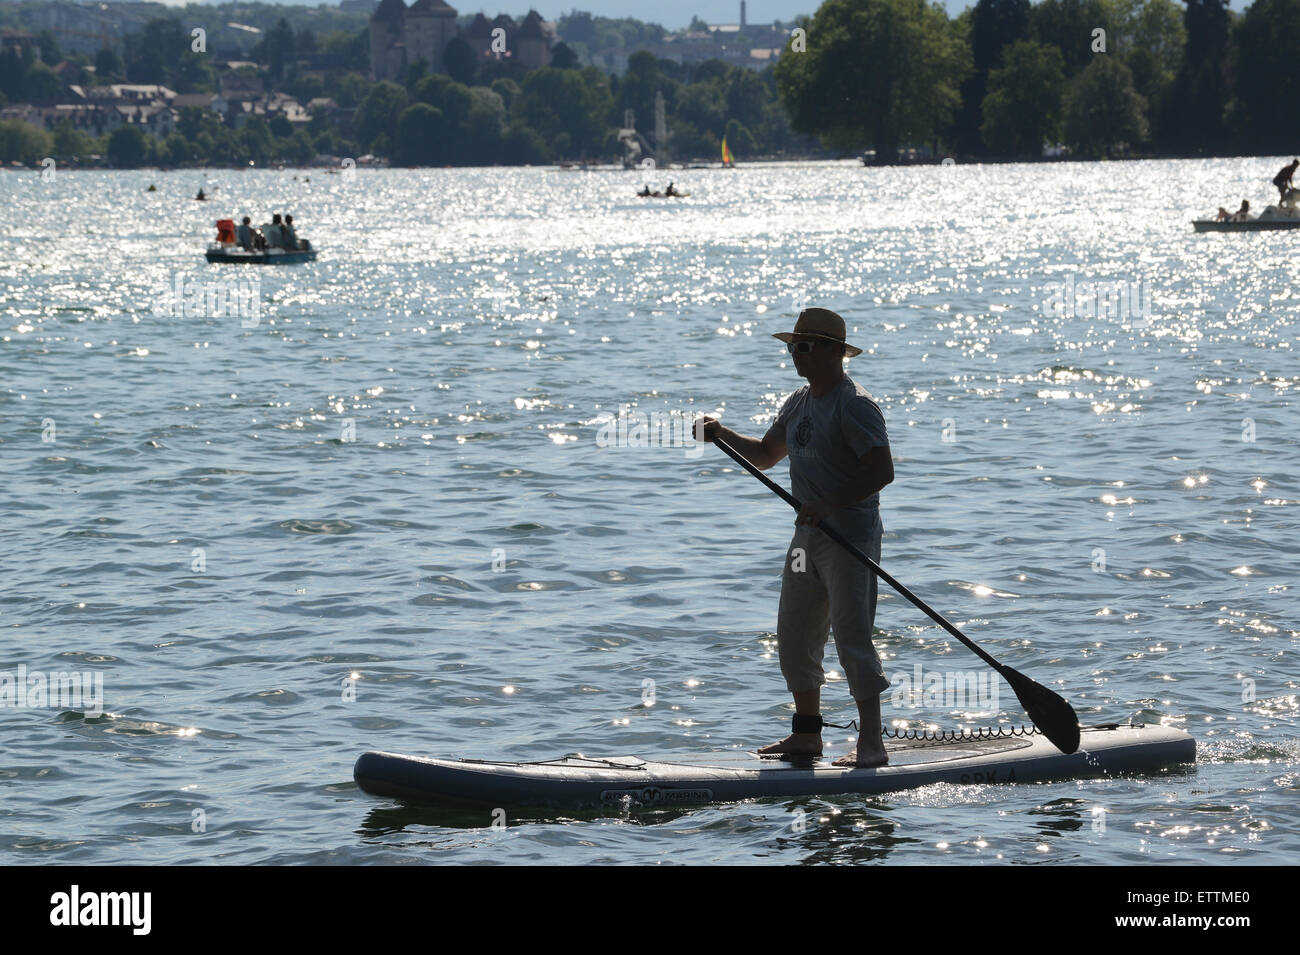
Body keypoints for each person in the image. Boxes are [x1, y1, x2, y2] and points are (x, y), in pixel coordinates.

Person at [695, 307, 894, 768]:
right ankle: (807, 736)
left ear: (833, 352)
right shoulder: (799, 402)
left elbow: (882, 471)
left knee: (851, 637)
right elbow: (766, 455)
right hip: (807, 539)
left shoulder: (855, 404)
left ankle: (872, 743)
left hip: (850, 538)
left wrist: (829, 504)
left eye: (803, 346)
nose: (794, 354)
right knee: (796, 633)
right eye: (791, 346)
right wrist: (722, 434)